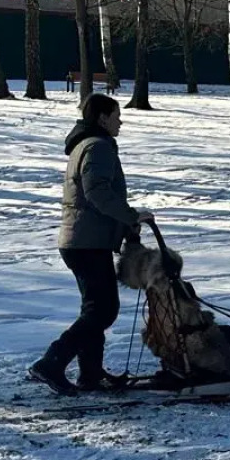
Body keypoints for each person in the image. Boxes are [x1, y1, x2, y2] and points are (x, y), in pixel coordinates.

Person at [29, 94, 154, 396]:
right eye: (115, 115)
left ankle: (90, 373)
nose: (120, 121)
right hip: (87, 242)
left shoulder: (86, 144)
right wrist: (130, 215)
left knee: (95, 308)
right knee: (104, 310)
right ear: (101, 118)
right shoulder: (97, 147)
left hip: (82, 240)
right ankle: (51, 363)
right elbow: (96, 192)